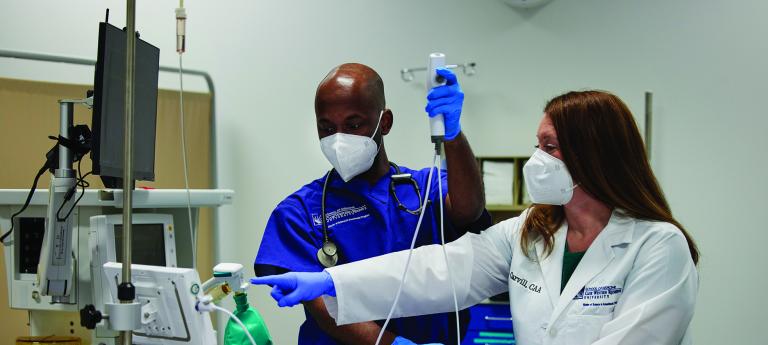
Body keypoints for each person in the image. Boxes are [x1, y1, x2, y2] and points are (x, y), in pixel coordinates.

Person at [252, 90, 700, 345]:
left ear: (597, 156)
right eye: (537, 144)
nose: (536, 160)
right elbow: (437, 269)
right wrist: (333, 283)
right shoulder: (530, 233)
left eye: (551, 147)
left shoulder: (656, 246)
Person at [253, 63, 488, 345]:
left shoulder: (426, 187)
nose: (339, 139)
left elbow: (468, 209)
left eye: (353, 125)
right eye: (326, 127)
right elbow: (323, 308)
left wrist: (452, 135)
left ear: (384, 122)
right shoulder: (299, 213)